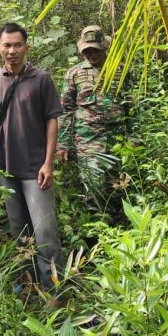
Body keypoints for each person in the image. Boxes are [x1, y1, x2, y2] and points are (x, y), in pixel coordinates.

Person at [0, 23, 64, 298]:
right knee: (20, 232)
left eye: (17, 45)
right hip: (6, 168)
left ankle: (54, 293)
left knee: (45, 231)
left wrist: (49, 162)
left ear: (27, 47)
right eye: (7, 46)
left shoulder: (41, 79)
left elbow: (52, 120)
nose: (12, 51)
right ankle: (28, 286)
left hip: (36, 169)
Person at [57, 25, 129, 223]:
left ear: (104, 47)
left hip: (117, 139)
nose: (91, 54)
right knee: (94, 185)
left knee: (117, 186)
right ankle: (99, 231)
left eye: (95, 50)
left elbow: (131, 106)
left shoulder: (120, 70)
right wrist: (62, 144)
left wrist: (134, 137)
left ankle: (119, 229)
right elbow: (66, 110)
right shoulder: (74, 74)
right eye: (87, 51)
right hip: (88, 140)